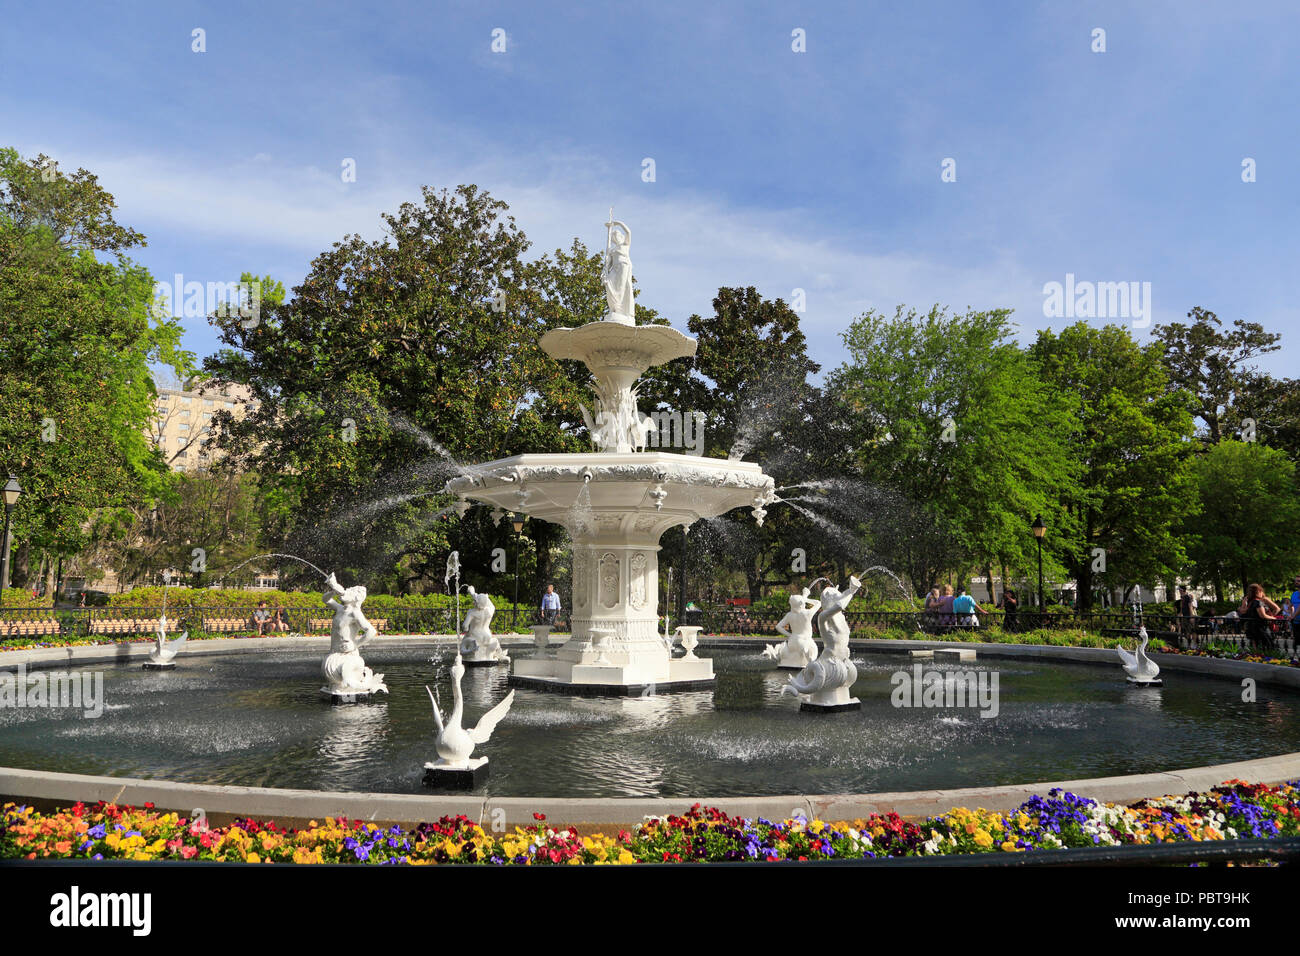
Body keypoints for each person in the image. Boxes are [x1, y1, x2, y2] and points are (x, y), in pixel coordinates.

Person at [1239, 584, 1280, 651]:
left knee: (1258, 647)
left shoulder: (1253, 602)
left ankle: (1258, 658)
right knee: (1268, 646)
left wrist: (1270, 617)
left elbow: (1244, 611)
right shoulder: (1257, 602)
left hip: (1254, 627)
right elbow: (1262, 615)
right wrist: (1273, 618)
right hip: (1260, 627)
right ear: (1259, 591)